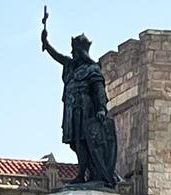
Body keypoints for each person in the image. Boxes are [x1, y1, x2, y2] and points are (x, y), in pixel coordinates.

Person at [41, 16, 117, 186]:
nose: (72, 54)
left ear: (81, 52)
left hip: (85, 110)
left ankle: (85, 173)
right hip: (71, 109)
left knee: (84, 141)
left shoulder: (92, 69)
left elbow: (99, 91)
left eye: (74, 51)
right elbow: (58, 57)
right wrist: (46, 43)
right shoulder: (71, 66)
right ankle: (84, 173)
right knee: (75, 143)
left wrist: (101, 109)